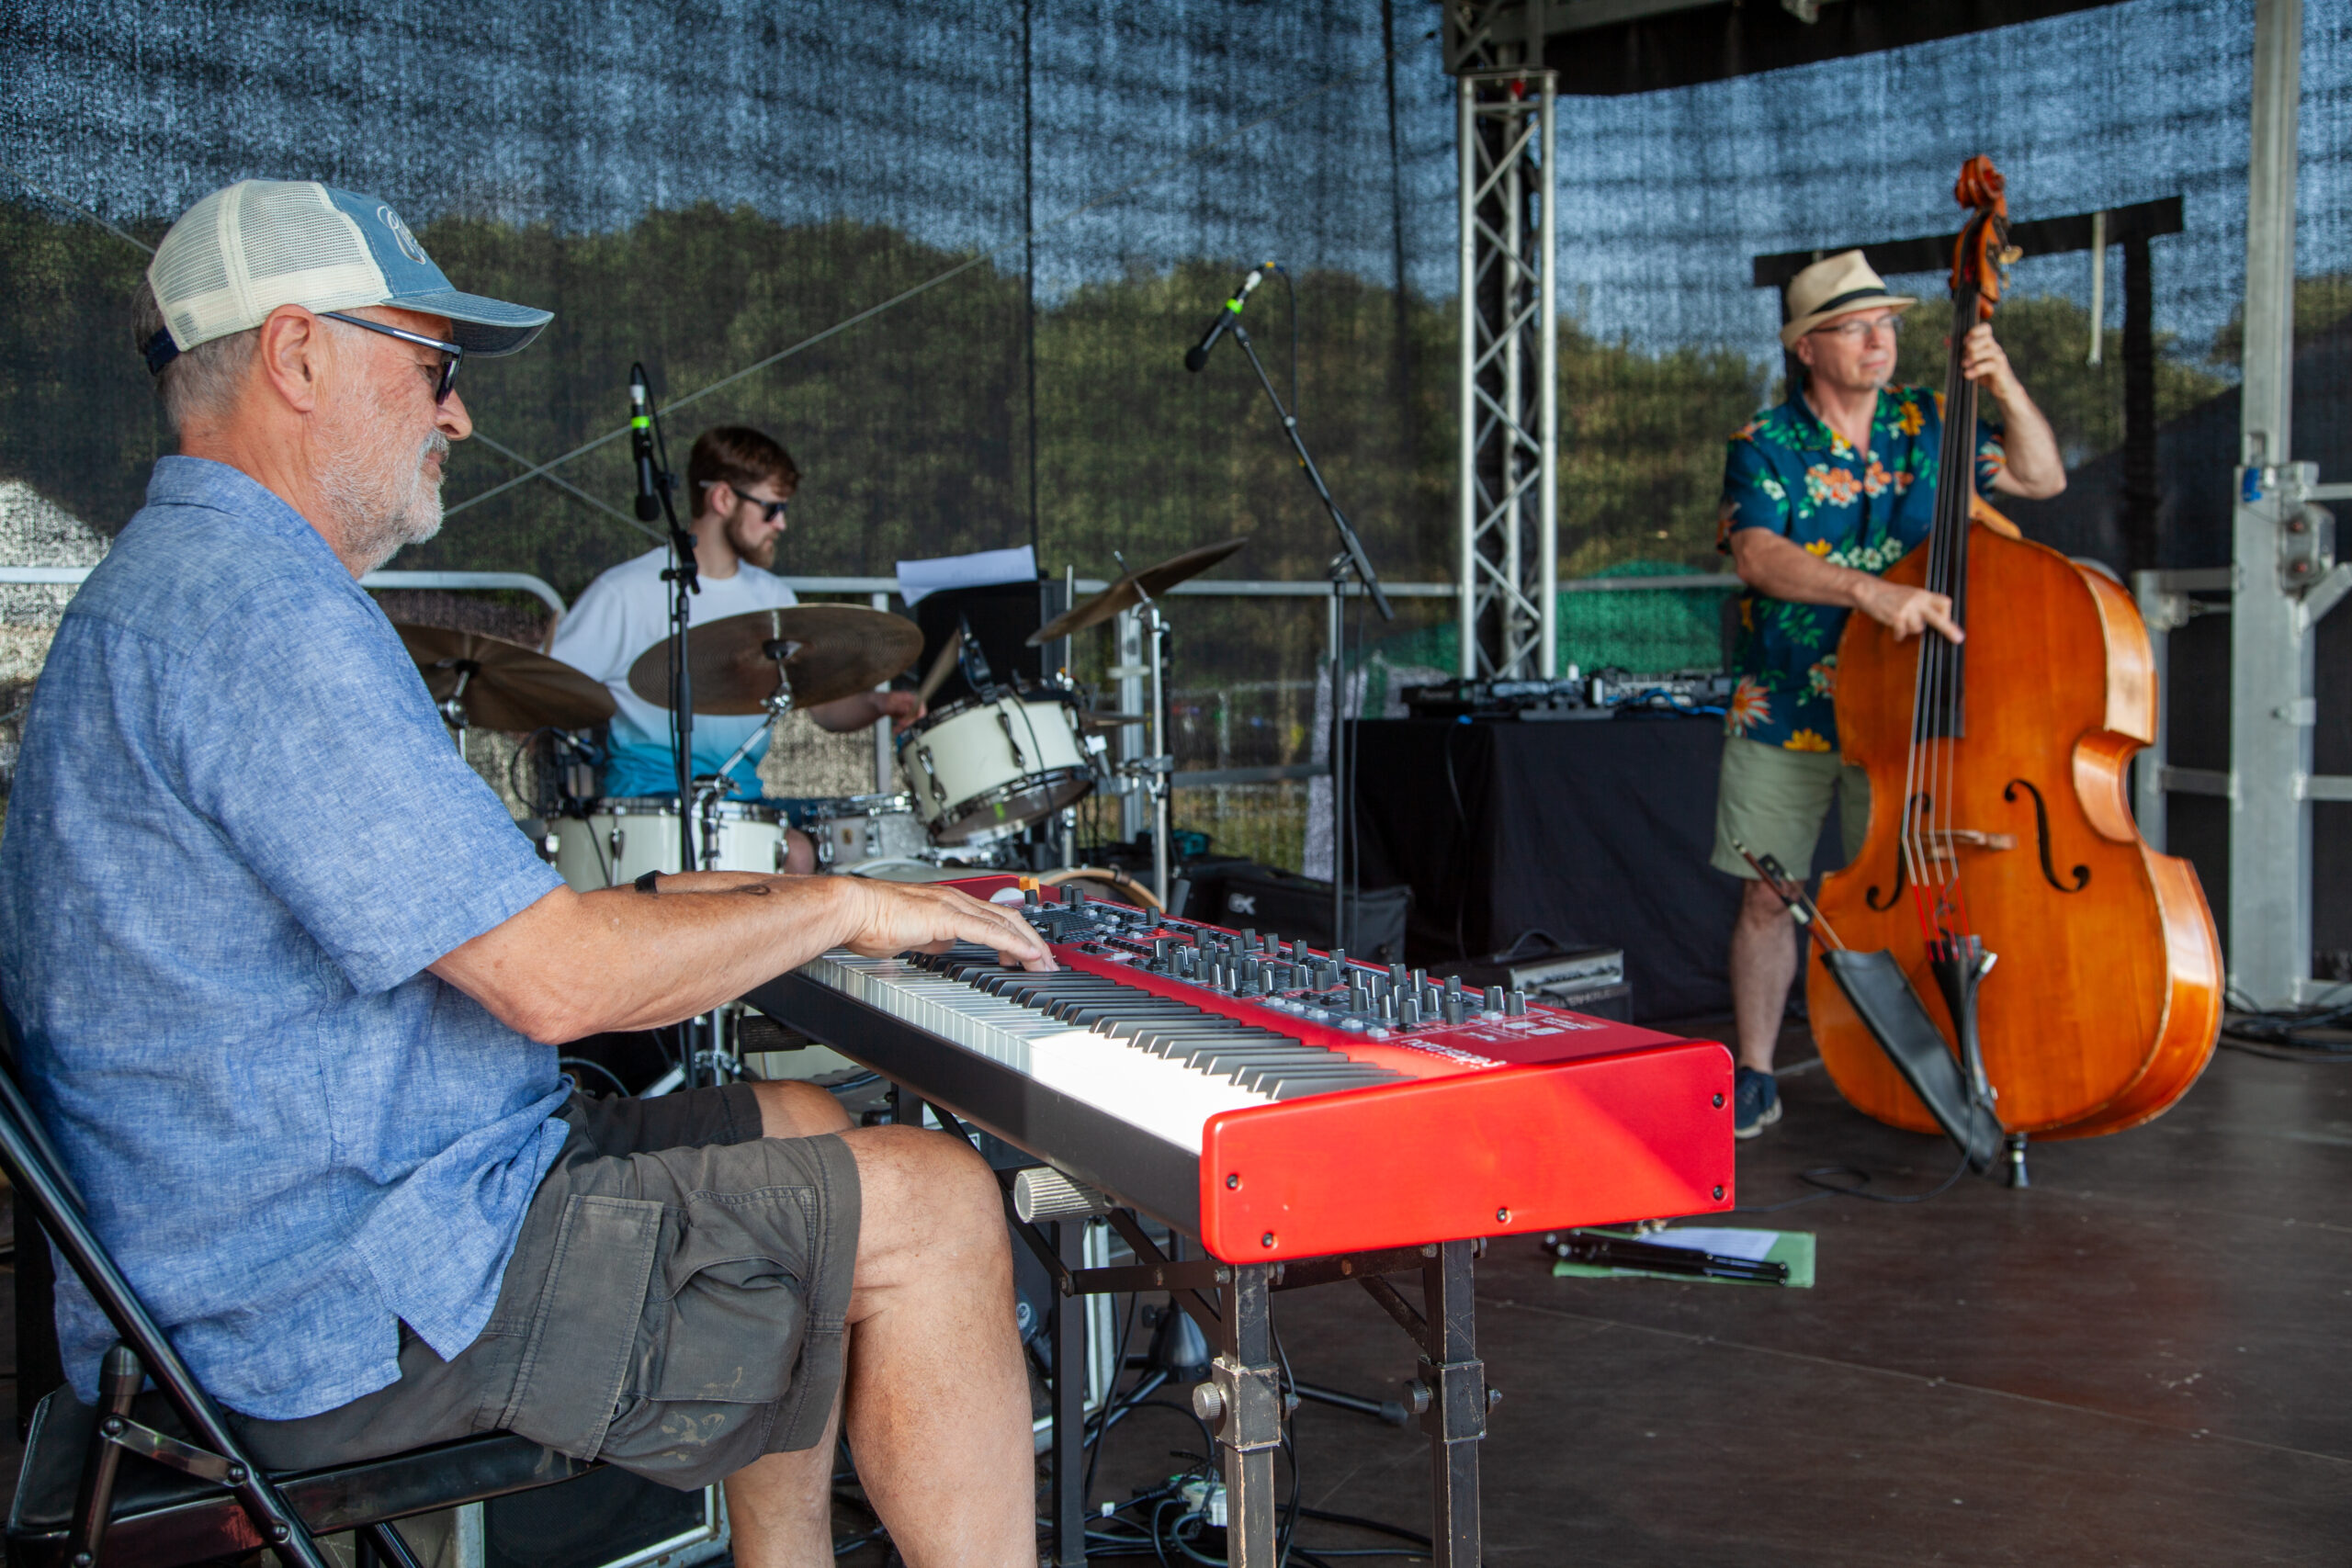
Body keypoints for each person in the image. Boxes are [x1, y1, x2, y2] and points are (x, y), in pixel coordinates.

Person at [0, 179, 1052, 1568]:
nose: (458, 416)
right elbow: (551, 980)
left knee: (800, 1119)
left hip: (286, 1226)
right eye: (434, 368)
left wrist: (746, 904)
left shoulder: (185, 583)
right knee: (937, 1203)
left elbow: (489, 924)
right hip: (327, 1299)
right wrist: (847, 901)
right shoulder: (255, 615)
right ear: (298, 355)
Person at [1712, 250, 2064, 1137]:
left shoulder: (1935, 420)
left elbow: (2041, 478)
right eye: (1854, 328)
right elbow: (1757, 554)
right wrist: (1867, 592)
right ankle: (1756, 1071)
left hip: (1910, 710)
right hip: (1789, 702)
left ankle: (1930, 1070)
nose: (1879, 342)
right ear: (1805, 347)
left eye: (1887, 325)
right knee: (1769, 894)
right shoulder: (1763, 444)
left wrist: (2006, 385)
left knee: (1921, 891)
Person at [548, 425, 924, 874]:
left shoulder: (773, 598)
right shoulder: (624, 593)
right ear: (723, 499)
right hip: (644, 808)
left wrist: (880, 703)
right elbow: (540, 693)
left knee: (840, 849)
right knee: (790, 855)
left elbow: (823, 709)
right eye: (772, 509)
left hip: (742, 800)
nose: (781, 524)